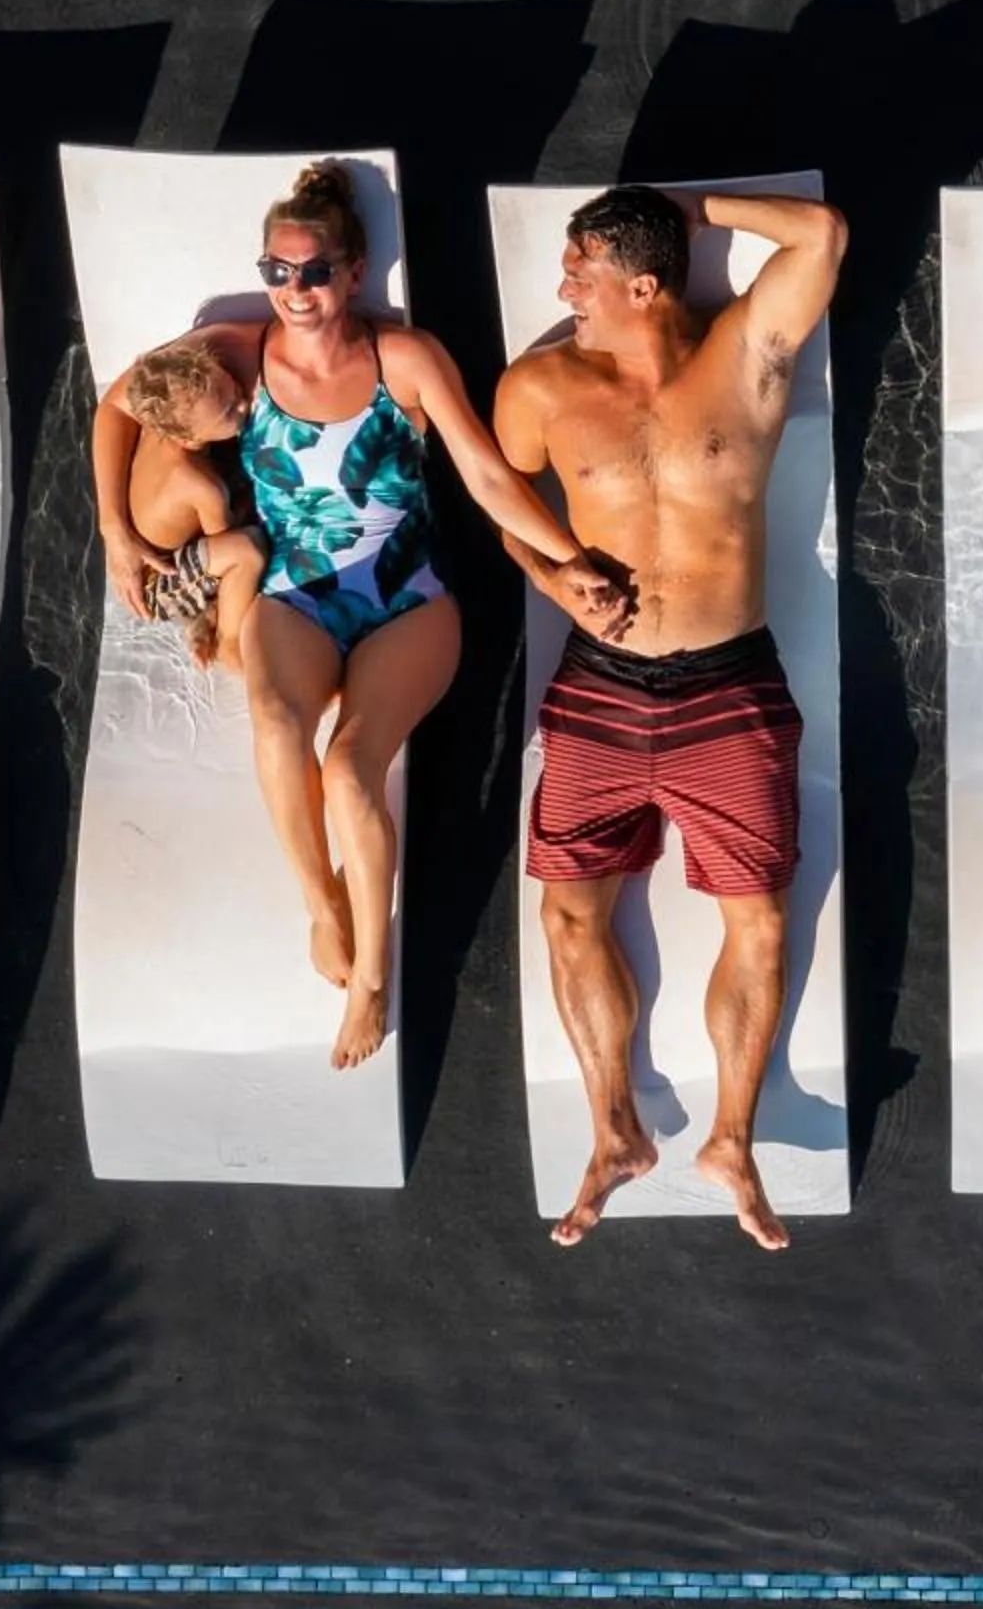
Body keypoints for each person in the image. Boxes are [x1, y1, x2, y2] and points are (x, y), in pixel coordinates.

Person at [92, 161, 623, 1071]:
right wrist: (112, 530)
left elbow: (487, 473)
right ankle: (324, 903)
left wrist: (569, 562)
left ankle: (373, 974)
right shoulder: (239, 351)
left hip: (407, 599)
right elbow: (119, 400)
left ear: (354, 271)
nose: (292, 290)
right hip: (295, 594)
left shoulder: (401, 358)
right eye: (276, 270)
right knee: (272, 723)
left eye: (312, 271)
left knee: (348, 770)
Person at [493, 184, 846, 1250]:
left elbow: (820, 232)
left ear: (643, 286)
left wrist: (695, 205)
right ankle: (613, 1132)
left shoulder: (746, 352)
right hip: (598, 683)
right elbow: (505, 508)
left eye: (582, 274)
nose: (563, 293)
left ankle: (731, 1136)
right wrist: (553, 581)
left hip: (729, 685)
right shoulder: (540, 385)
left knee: (762, 918)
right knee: (567, 911)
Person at [107, 336, 269, 671]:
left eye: (236, 390)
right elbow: (225, 559)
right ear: (188, 437)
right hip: (157, 582)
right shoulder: (202, 487)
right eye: (229, 411)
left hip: (155, 549)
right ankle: (225, 639)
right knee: (248, 549)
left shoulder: (163, 422)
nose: (243, 404)